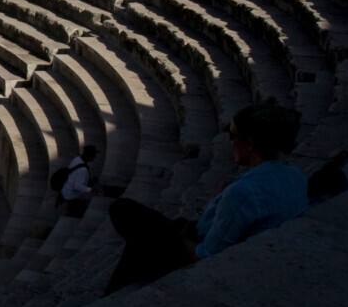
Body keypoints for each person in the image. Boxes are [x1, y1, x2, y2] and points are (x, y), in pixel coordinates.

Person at [106, 100, 306, 294]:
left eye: (232, 135)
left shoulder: (243, 192)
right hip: (247, 249)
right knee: (140, 238)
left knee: (125, 213)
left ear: (249, 144)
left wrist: (172, 237)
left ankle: (109, 297)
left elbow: (208, 254)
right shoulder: (296, 175)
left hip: (212, 261)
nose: (229, 142)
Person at [59, 144, 99, 218]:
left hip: (66, 190)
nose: (94, 157)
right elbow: (77, 186)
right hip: (71, 196)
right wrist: (91, 190)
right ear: (88, 155)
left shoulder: (77, 159)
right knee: (74, 215)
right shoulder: (83, 170)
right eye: (93, 155)